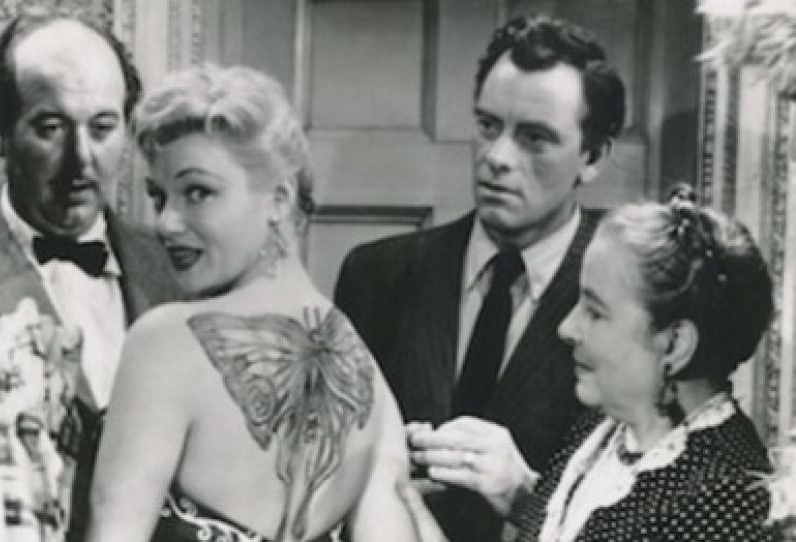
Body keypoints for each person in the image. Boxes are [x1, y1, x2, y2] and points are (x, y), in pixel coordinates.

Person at [86, 64, 415, 542]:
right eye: (159, 197)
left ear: (279, 199)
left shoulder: (166, 343)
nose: (166, 223)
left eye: (198, 193)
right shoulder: (369, 380)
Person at [333, 14, 626, 541]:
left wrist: (527, 495)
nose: (497, 158)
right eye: (489, 126)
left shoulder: (629, 297)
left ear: (593, 157)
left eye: (534, 138)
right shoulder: (375, 275)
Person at [407, 185, 777, 541]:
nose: (567, 328)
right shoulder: (600, 431)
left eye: (595, 312)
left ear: (674, 344)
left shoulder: (726, 499)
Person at [0, 14, 181, 541]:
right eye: (50, 128)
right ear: (1, 133)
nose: (81, 159)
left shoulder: (177, 269)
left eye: (102, 128)